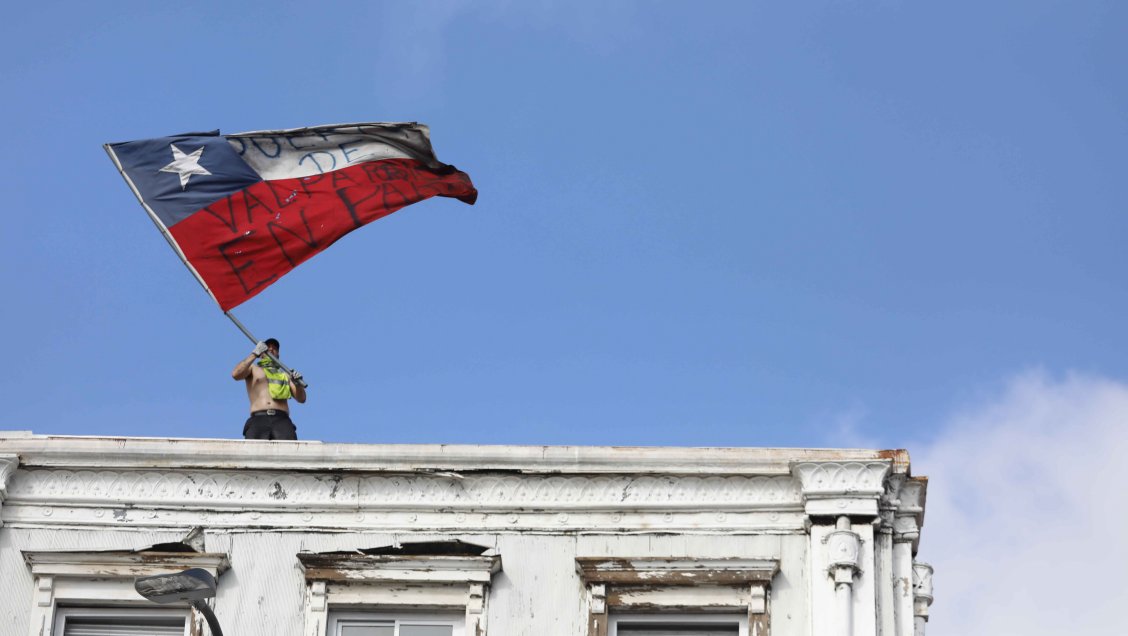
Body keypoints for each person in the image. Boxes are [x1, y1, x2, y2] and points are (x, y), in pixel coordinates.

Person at [232, 338, 306, 440]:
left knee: (289, 451)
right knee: (253, 453)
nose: (271, 349)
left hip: (282, 420)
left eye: (275, 349)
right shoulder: (253, 369)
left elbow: (301, 399)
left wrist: (298, 384)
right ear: (262, 353)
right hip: (258, 419)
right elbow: (236, 374)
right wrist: (254, 354)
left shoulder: (285, 375)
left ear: (278, 355)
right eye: (268, 348)